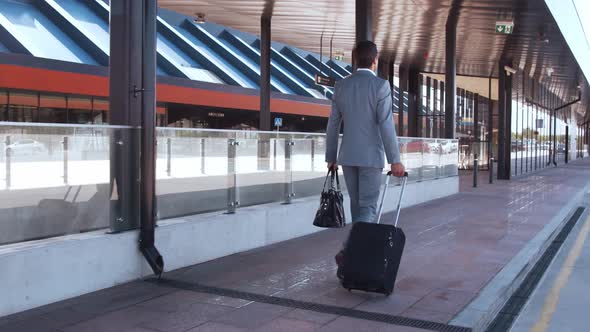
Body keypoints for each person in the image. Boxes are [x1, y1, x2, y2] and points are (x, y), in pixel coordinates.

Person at [325, 40, 405, 275]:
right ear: (375, 59)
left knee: (358, 208)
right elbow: (386, 125)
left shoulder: (341, 86)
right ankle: (349, 251)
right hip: (371, 158)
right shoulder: (381, 86)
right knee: (368, 208)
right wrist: (395, 159)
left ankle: (352, 256)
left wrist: (331, 156)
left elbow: (333, 124)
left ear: (354, 59)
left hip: (347, 157)